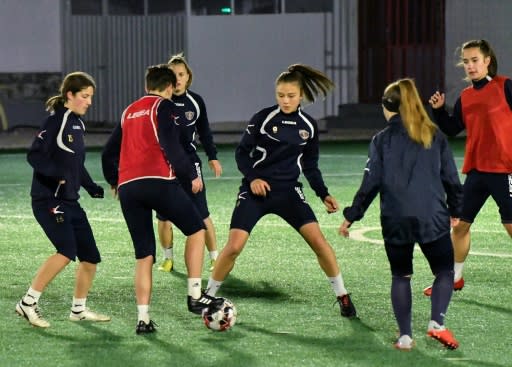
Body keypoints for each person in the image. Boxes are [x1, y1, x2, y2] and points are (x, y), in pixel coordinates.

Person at [205, 63, 357, 319]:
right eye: (280, 95)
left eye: (291, 96)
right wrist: (252, 178)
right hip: (256, 192)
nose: (285, 100)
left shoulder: (308, 125)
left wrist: (323, 194)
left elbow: (310, 166)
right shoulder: (263, 118)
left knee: (319, 242)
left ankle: (342, 296)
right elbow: (242, 153)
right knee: (233, 247)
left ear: (301, 96)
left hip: (289, 193)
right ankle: (208, 296)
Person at [339, 78, 463, 350]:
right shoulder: (434, 134)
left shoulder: (381, 140)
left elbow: (370, 183)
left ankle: (405, 337)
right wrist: (456, 210)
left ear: (387, 107)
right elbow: (451, 180)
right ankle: (436, 324)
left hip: (395, 218)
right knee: (444, 270)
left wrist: (352, 215)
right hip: (431, 216)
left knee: (401, 275)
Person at [101, 65, 223, 335]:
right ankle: (194, 295)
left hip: (129, 189)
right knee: (196, 230)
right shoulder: (165, 107)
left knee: (144, 256)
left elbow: (108, 153)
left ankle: (143, 320)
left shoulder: (129, 111)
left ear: (146, 87)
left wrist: (114, 181)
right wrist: (189, 174)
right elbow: (171, 145)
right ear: (169, 88)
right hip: (158, 182)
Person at [16, 72, 110, 328]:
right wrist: (58, 176)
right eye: (85, 96)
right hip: (48, 199)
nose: (89, 101)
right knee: (67, 251)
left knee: (90, 257)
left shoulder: (78, 124)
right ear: (70, 95)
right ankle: (27, 303)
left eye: (91, 96)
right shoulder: (56, 121)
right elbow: (34, 156)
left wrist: (90, 186)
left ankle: (78, 310)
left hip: (70, 201)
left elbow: (75, 163)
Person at [425, 39, 512, 296]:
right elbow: (453, 130)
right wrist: (439, 111)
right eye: (466, 61)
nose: (470, 66)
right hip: (476, 171)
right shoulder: (465, 97)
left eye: (475, 60)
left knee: (510, 226)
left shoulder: (505, 86)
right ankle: (455, 278)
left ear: (487, 61)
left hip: (504, 170)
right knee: (460, 226)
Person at [156, 53, 221, 273]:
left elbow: (205, 132)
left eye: (181, 74)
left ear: (188, 77)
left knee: (202, 213)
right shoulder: (160, 104)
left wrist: (212, 157)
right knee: (164, 216)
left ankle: (215, 258)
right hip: (165, 165)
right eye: (173, 75)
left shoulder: (196, 101)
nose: (177, 78)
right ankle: (167, 258)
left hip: (190, 164)